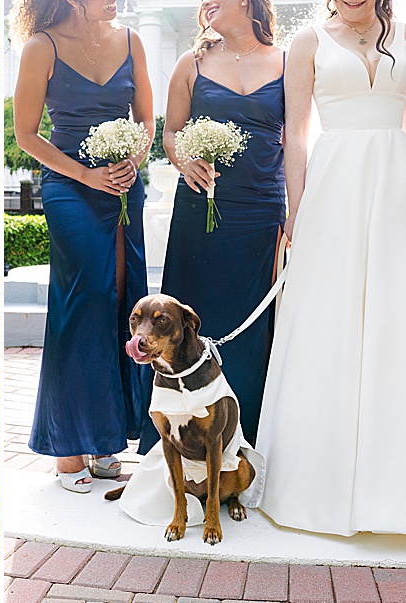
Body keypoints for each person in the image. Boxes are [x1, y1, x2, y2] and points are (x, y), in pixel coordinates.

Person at [256, 1, 406, 535]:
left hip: (397, 188)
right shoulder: (308, 42)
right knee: (331, 322)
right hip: (334, 190)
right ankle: (318, 484)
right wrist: (298, 213)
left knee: (395, 320)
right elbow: (295, 135)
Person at [9, 0, 155, 492]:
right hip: (70, 187)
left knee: (118, 302)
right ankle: (67, 445)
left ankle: (107, 440)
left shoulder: (132, 42)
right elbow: (26, 135)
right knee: (83, 302)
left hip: (121, 186)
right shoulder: (41, 47)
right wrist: (87, 175)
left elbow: (147, 124)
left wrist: (129, 161)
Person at [160, 0, 285, 446]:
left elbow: (297, 140)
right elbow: (171, 130)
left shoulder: (289, 62)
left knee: (254, 329)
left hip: (262, 211)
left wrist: (295, 214)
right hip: (201, 211)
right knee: (193, 323)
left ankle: (246, 439)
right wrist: (183, 161)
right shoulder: (190, 63)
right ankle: (183, 439)